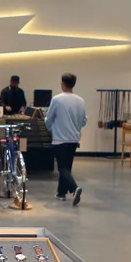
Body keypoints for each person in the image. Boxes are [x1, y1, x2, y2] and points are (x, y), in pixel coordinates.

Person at [44, 73, 88, 205]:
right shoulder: (80, 100)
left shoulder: (57, 99)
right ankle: (61, 193)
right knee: (67, 167)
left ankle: (75, 188)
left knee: (62, 168)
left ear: (63, 83)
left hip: (60, 139)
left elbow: (49, 118)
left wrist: (49, 126)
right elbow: (84, 121)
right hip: (74, 139)